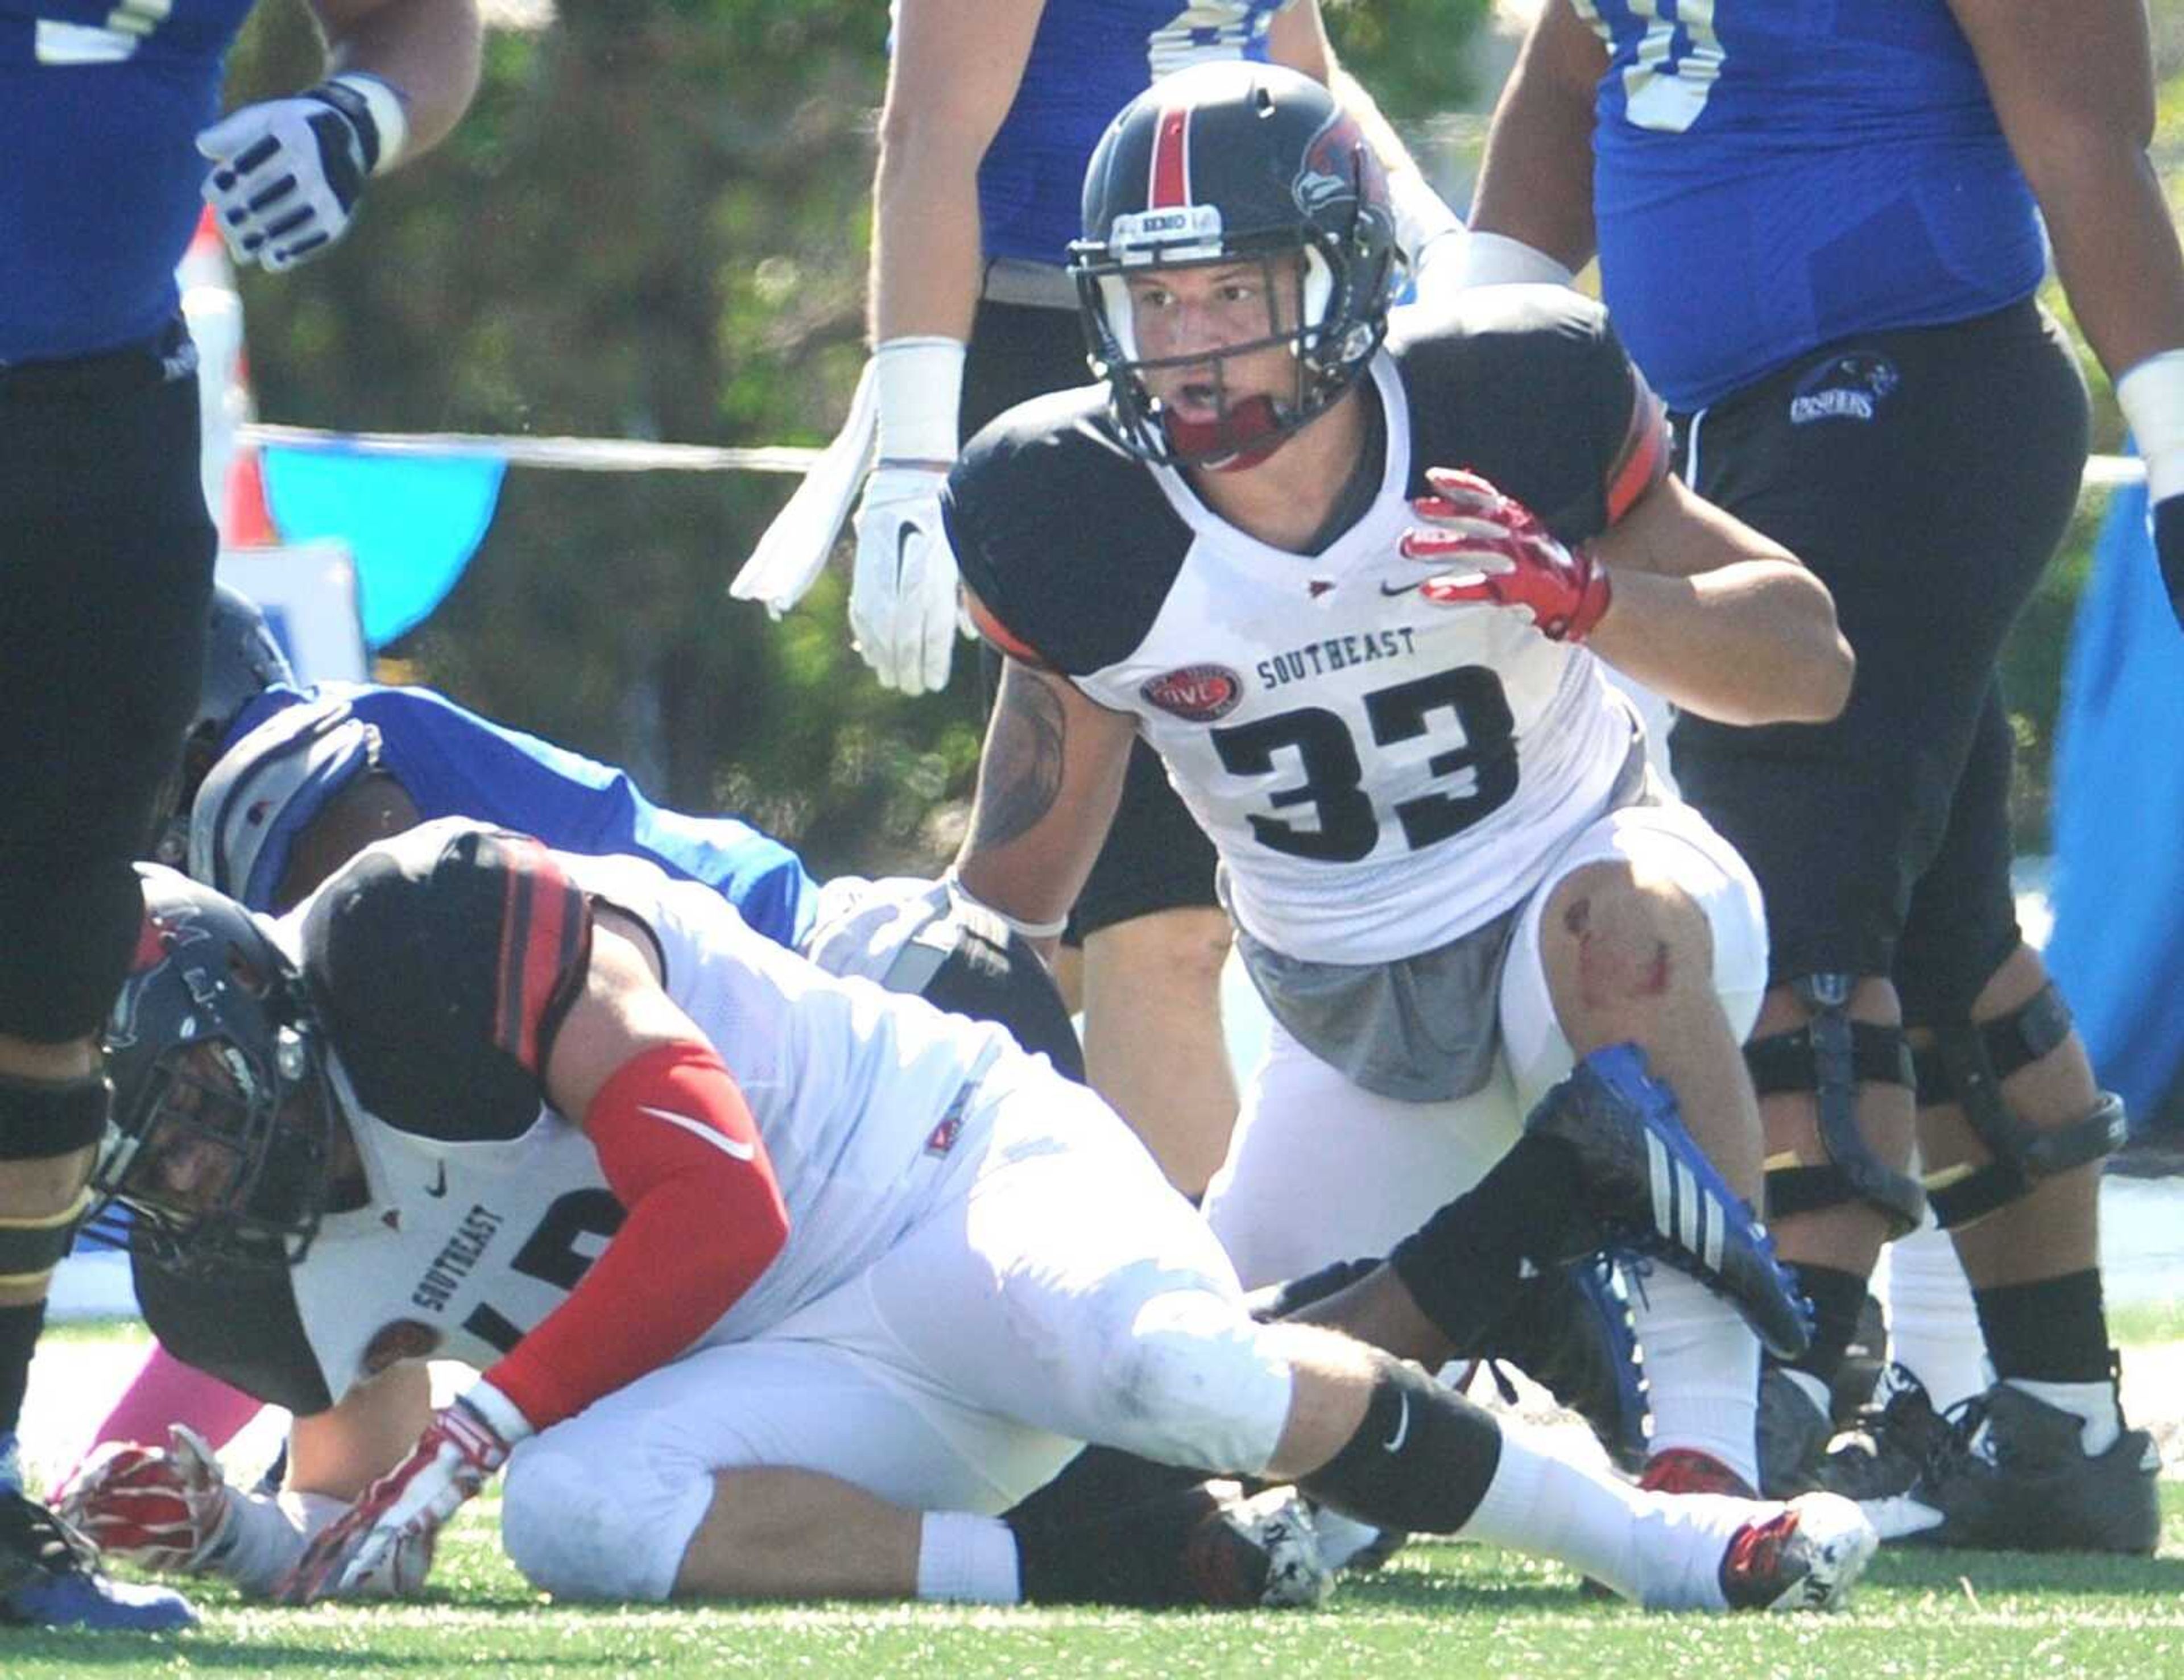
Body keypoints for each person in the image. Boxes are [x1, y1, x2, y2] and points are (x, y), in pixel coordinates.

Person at [55, 827, 1872, 1615]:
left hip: (931, 1168)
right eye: (159, 1163)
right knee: (579, 1517)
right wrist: (229, 1534)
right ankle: (1167, 1566)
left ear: (258, 1009)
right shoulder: (217, 1259)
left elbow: (716, 1196)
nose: (201, 1178)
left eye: (204, 1119)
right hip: (791, 1390)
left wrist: (474, 1424)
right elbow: (368, 1517)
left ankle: (1648, 1541)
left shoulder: (424, 928)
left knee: (1169, 1363)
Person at [943, 60, 1858, 1504]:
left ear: (1343, 274)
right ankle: (1536, 1338)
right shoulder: (1075, 512)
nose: (1191, 345)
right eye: (1154, 301)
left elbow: (1812, 663)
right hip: (1346, 1015)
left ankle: (1715, 1449)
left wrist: (1589, 596)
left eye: (1234, 293)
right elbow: (1013, 903)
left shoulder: (1504, 396)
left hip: (1582, 891)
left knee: (1619, 922)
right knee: (1185, 1425)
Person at [1464, 0, 2180, 1550]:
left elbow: (2087, 139)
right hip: (1736, 434)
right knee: (1946, 939)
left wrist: (2182, 442)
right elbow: (1577, 81)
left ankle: (1772, 1385)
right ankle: (2057, 1430)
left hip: (1917, 394)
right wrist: (1460, 349)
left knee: (1789, 901)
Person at [69, 583, 1083, 1474]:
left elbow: (298, 1199)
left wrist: (134, 1454)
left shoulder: (303, 803)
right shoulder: (311, 812)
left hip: (881, 1045)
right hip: (824, 1104)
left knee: (1095, 1471)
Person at [0, 0, 480, 1628]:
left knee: (53, 973)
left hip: (107, 414)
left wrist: (361, 118)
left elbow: (426, 30)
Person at [846, 0, 1467, 1199]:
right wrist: (914, 458)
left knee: (1069, 930)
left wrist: (1453, 259)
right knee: (1161, 917)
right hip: (1077, 355)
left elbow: (1292, 70)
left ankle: (893, 1192)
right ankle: (1220, 1342)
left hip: (1251, 346)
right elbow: (929, 134)